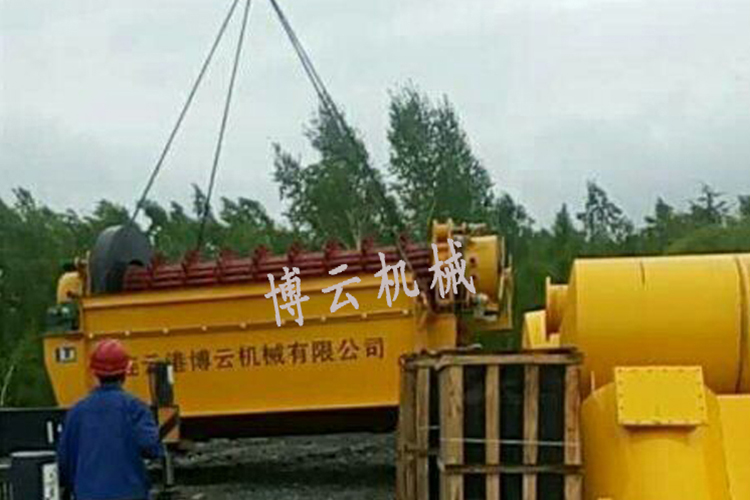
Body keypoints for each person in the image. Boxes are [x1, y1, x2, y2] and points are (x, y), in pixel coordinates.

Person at [57, 339, 163, 500]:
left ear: (94, 372)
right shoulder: (135, 408)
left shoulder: (77, 412)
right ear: (126, 371)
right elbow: (151, 447)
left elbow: (64, 462)